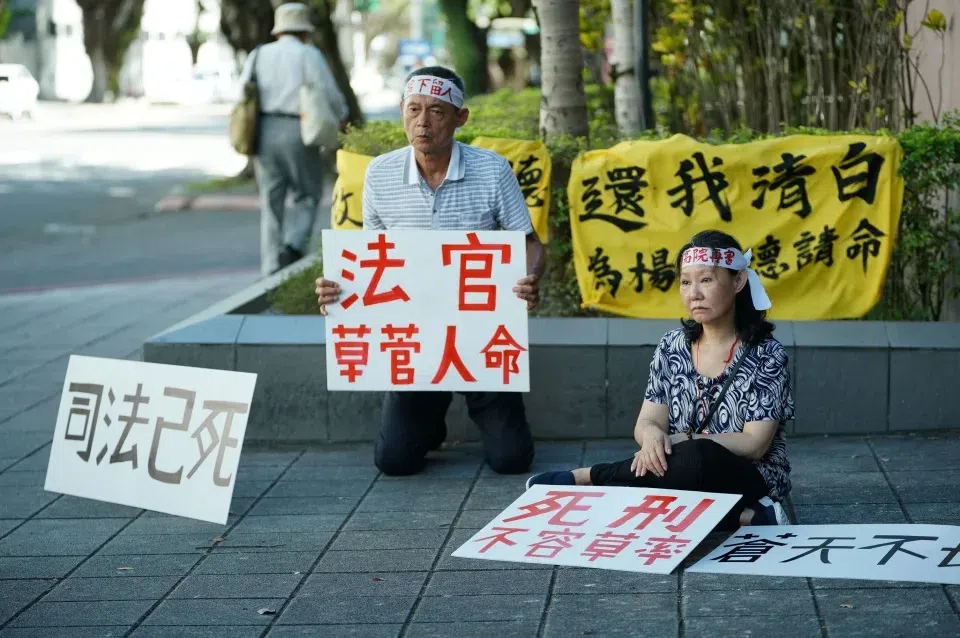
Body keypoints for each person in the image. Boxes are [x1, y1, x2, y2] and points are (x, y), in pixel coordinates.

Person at [315, 66, 547, 477]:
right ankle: (429, 414)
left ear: (461, 118)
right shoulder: (380, 173)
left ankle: (464, 409)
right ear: (402, 112)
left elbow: (529, 242)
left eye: (437, 112)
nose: (422, 123)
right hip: (413, 336)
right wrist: (340, 290)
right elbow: (373, 257)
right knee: (395, 461)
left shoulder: (492, 170)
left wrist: (529, 279)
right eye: (413, 109)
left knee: (511, 460)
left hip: (482, 332)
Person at [526, 229, 794, 528]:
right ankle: (743, 516)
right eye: (685, 282)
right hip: (678, 466)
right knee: (671, 458)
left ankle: (590, 478)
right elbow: (647, 422)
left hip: (749, 474)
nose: (694, 294)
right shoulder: (672, 346)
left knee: (696, 454)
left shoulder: (767, 354)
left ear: (738, 281)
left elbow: (755, 444)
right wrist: (653, 436)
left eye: (706, 280)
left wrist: (685, 439)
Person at [237, 2, 348, 276]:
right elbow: (328, 92)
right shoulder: (308, 55)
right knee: (308, 193)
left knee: (271, 200)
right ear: (304, 31)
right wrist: (342, 115)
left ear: (279, 31)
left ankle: (270, 265)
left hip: (264, 131)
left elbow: (242, 92)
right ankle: (293, 246)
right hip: (299, 130)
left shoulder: (258, 54)